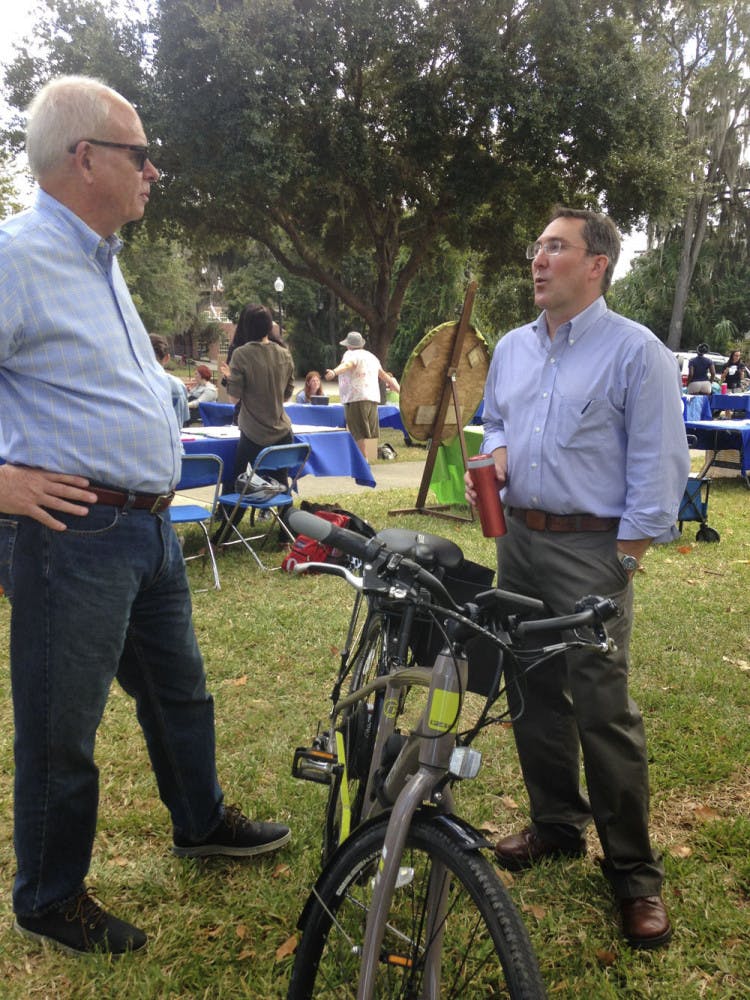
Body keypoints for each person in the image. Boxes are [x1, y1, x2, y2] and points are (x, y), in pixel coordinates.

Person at [0, 75, 290, 957]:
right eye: (140, 153)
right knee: (62, 726)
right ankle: (50, 897)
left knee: (180, 692)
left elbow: (99, 378)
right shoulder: (16, 256)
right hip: (73, 533)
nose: (153, 170)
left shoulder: (101, 259)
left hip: (148, 528)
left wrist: (167, 400)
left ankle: (198, 820)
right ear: (84, 158)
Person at [465, 207, 689, 950]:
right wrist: (496, 456)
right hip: (520, 540)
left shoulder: (637, 353)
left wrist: (623, 562)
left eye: (555, 247)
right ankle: (558, 826)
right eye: (536, 246)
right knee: (530, 690)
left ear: (596, 265)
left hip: (593, 548)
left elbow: (659, 467)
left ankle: (633, 876)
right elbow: (494, 420)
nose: (538, 258)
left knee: (602, 705)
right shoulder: (511, 349)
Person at [324, 331, 399, 459]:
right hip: (372, 398)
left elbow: (348, 365)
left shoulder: (350, 354)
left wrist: (334, 372)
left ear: (349, 345)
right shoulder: (371, 356)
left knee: (358, 432)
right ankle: (368, 458)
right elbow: (383, 374)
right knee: (369, 432)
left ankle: (362, 462)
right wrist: (398, 389)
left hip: (355, 397)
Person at [150, 333, 190, 427]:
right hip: (174, 439)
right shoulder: (178, 385)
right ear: (167, 358)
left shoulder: (131, 386)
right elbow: (184, 418)